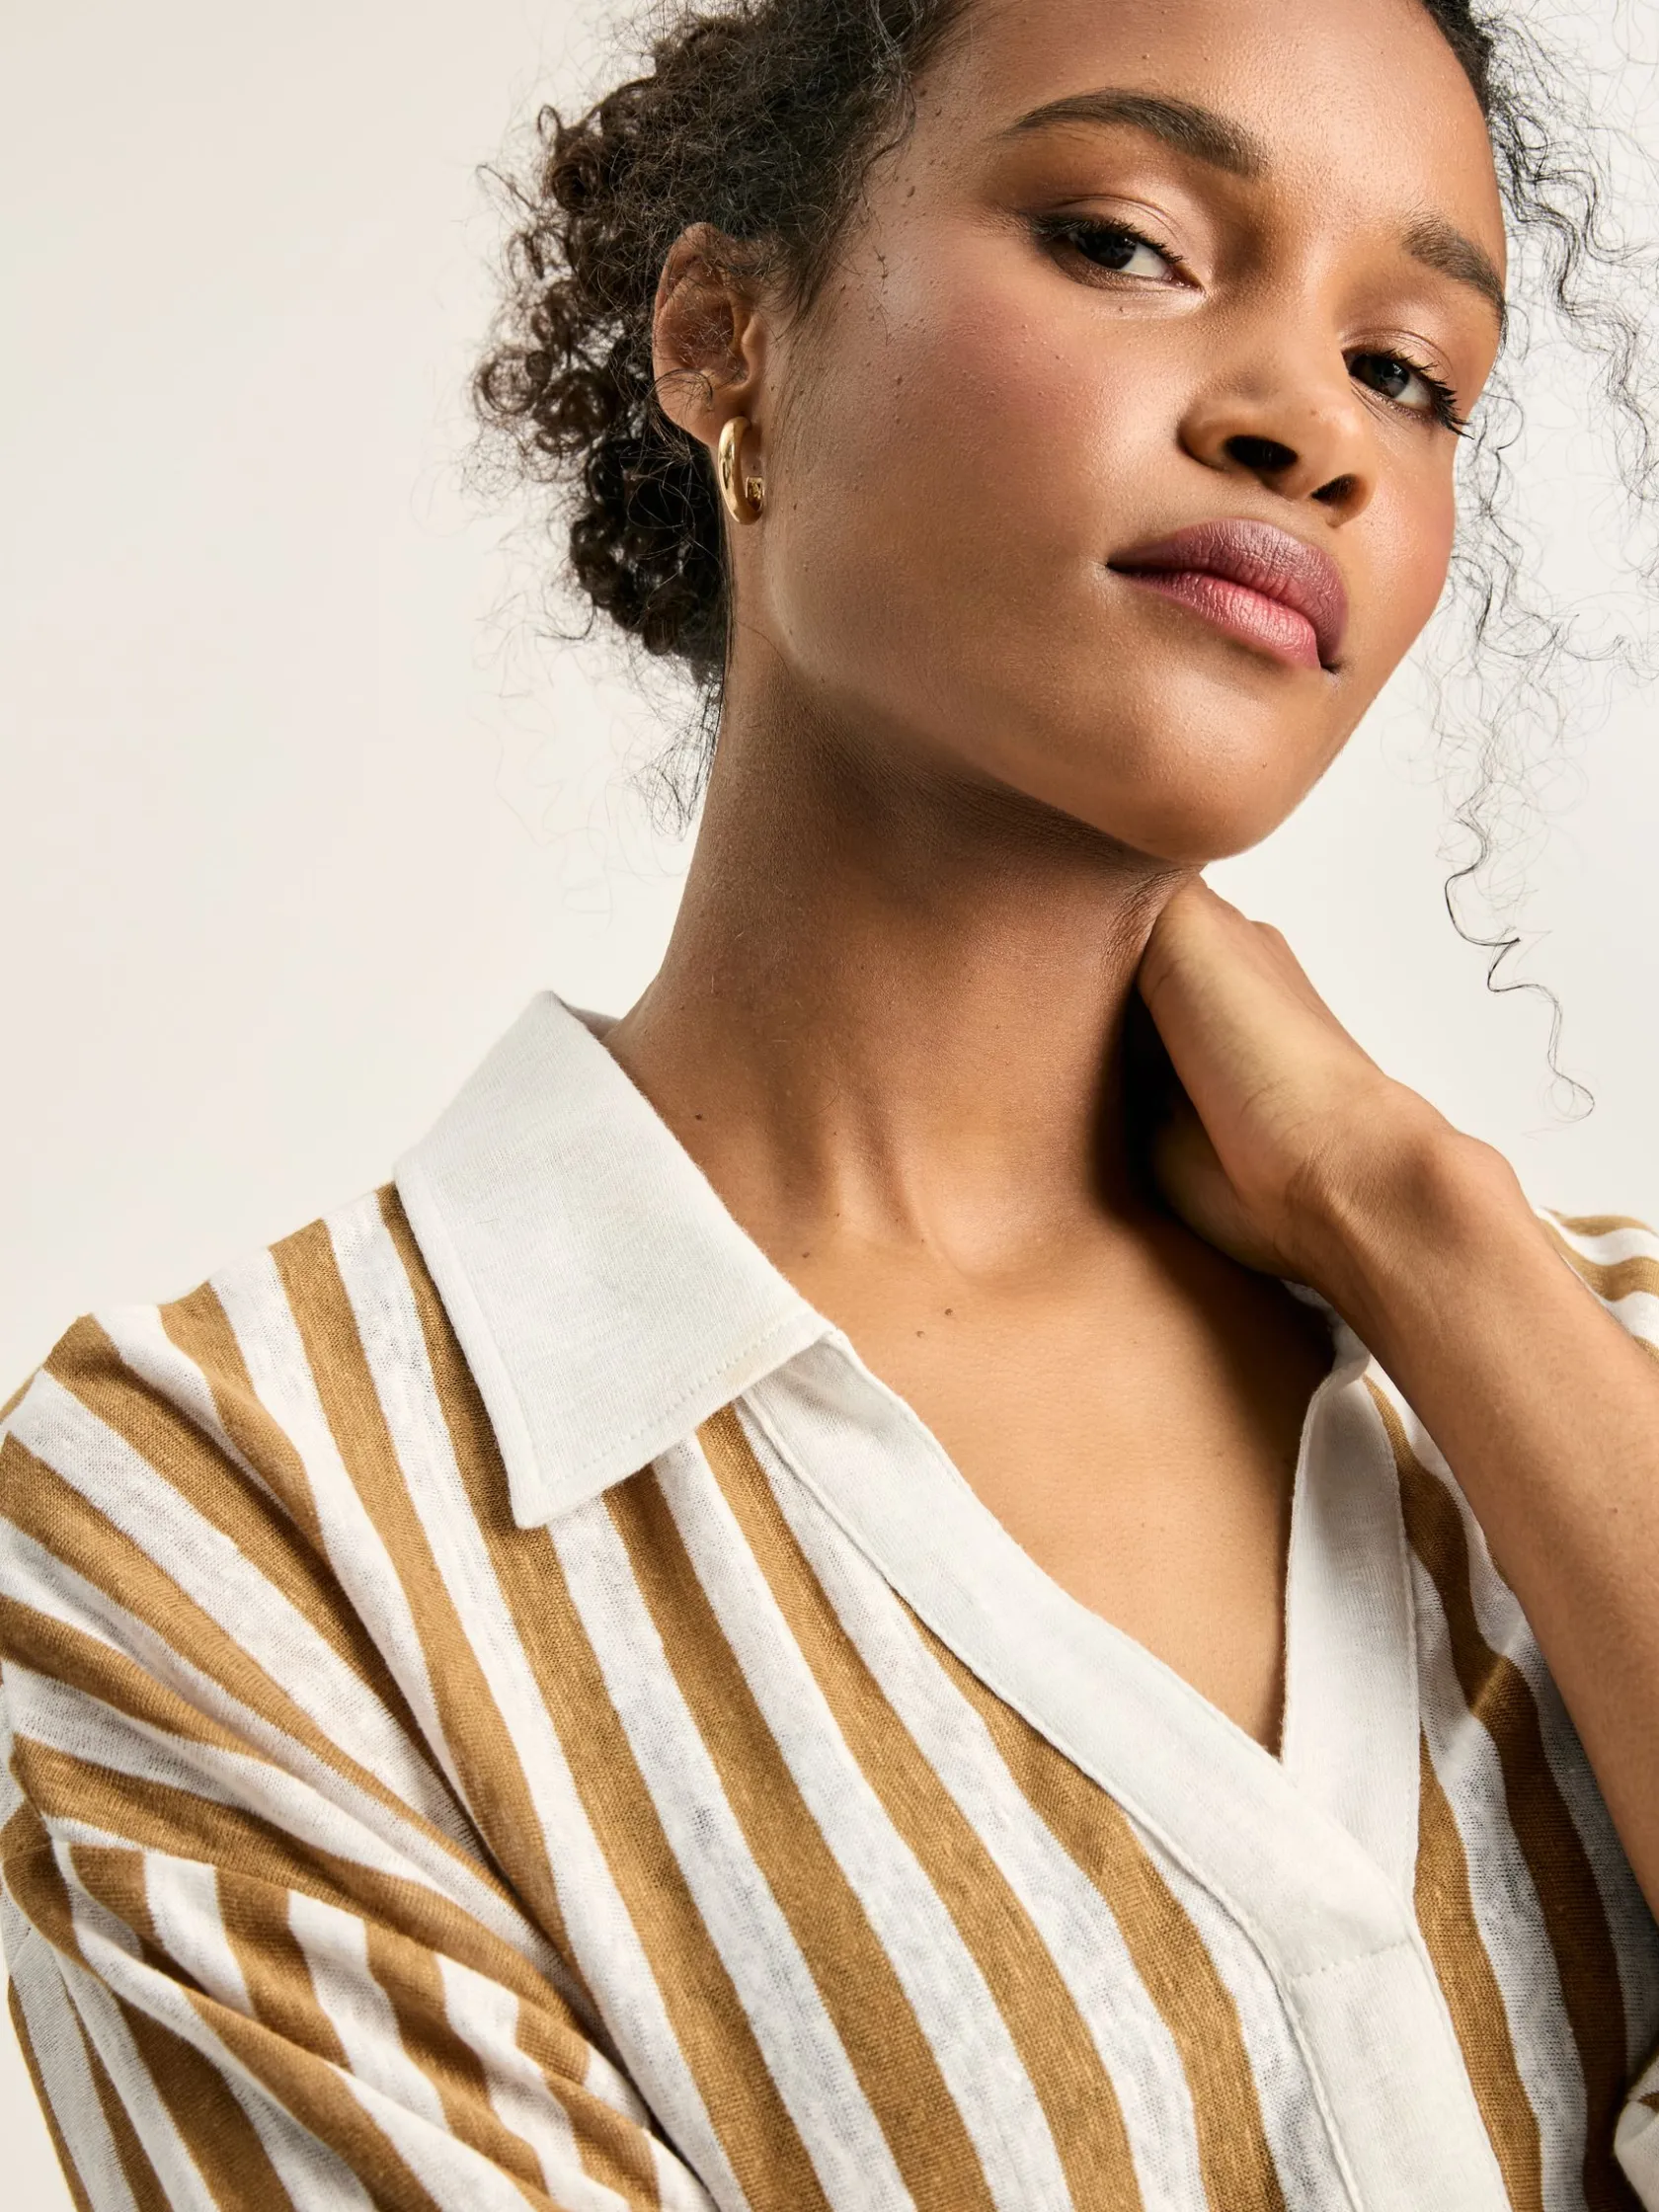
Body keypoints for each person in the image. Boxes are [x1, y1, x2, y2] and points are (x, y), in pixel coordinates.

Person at [5, 0, 1659, 2202]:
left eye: (1409, 373)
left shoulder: (1588, 1361)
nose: (1305, 428)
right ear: (727, 339)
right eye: (1125, 241)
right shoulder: (243, 1523)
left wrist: (1418, 1221)